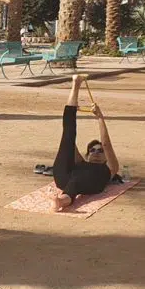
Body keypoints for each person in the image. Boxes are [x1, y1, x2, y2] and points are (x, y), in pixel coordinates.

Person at [49, 75, 120, 211]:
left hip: (89, 183)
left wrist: (100, 117)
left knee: (76, 182)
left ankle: (60, 201)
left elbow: (106, 144)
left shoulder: (110, 168)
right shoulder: (81, 162)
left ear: (106, 157)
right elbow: (69, 141)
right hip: (63, 178)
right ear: (87, 155)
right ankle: (75, 84)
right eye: (92, 150)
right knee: (67, 136)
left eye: (100, 151)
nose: (96, 153)